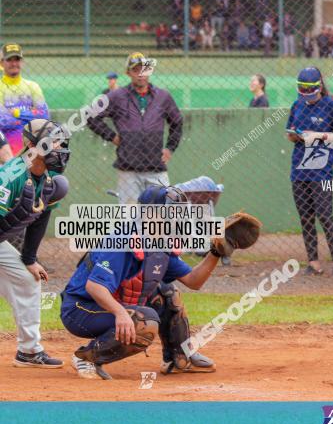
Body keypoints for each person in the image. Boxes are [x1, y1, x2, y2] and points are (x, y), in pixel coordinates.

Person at [61, 186, 222, 380]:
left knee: (169, 293)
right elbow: (94, 287)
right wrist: (121, 313)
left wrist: (216, 252)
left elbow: (194, 282)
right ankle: (87, 358)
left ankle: (179, 358)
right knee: (145, 321)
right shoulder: (122, 241)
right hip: (81, 309)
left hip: (108, 303)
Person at [0, 119, 70, 368]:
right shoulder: (10, 177)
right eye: (53, 142)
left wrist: (29, 259)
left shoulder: (50, 180)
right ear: (33, 145)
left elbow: (40, 218)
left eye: (60, 141)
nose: (59, 147)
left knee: (29, 279)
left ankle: (28, 352)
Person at [86, 53, 183, 204]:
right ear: (128, 73)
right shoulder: (117, 96)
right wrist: (112, 136)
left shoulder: (163, 97)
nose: (140, 74)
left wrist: (170, 148)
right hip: (128, 170)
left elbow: (177, 121)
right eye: (136, 70)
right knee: (130, 219)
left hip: (156, 168)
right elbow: (90, 116)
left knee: (162, 217)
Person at [286, 67, 333, 277]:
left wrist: (320, 135)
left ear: (320, 86)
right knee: (306, 217)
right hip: (299, 171)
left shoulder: (331, 106)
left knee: (325, 216)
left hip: (321, 172)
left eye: (309, 89)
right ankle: (313, 262)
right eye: (302, 89)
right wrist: (298, 136)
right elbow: (289, 135)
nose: (306, 94)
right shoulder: (297, 105)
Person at [0, 44, 50, 155]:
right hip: (5, 153)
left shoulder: (33, 87)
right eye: (9, 60)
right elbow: (2, 121)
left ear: (22, 62)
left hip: (32, 153)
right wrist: (30, 117)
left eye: (17, 59)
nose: (14, 63)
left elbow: (44, 116)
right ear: (2, 63)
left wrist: (18, 113)